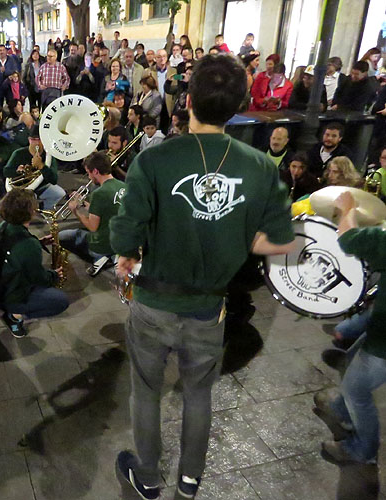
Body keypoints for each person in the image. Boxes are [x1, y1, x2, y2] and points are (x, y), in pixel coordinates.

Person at [110, 54, 295, 500]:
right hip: (209, 307)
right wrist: (235, 235)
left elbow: (125, 232)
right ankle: (190, 481)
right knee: (198, 395)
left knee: (146, 392)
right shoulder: (260, 166)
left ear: (187, 101)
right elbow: (280, 241)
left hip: (154, 303)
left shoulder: (155, 159)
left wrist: (126, 256)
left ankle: (148, 478)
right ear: (239, 106)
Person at [312, 191, 386, 467]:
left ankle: (363, 450)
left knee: (357, 390)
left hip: (384, 341)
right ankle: (340, 409)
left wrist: (348, 208)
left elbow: (348, 239)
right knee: (352, 359)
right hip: (379, 323)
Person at [0, 189, 69, 337]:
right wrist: (54, 275)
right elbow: (39, 278)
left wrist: (39, 242)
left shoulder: (4, 225)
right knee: (61, 301)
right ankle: (14, 316)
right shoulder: (29, 245)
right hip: (9, 296)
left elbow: (13, 247)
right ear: (31, 212)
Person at [59, 151, 126, 275]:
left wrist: (75, 211)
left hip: (102, 243)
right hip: (120, 241)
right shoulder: (123, 186)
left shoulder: (99, 193)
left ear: (95, 171)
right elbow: (104, 209)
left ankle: (99, 256)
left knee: (61, 237)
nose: (89, 177)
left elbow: (92, 227)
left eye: (88, 172)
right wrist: (82, 202)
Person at [4, 125, 65, 210]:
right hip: (22, 189)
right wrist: (17, 171)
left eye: (39, 139)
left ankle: (41, 209)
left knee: (60, 193)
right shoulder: (18, 153)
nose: (36, 143)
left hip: (41, 187)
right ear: (29, 140)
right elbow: (6, 171)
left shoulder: (49, 156)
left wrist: (41, 166)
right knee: (24, 199)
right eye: (33, 139)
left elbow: (54, 180)